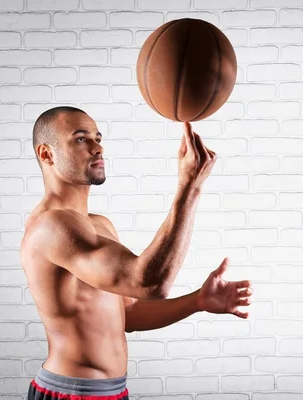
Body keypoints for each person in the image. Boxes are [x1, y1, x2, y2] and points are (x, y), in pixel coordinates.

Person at [20, 106, 253, 400]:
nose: (97, 147)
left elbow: (129, 312)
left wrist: (198, 300)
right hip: (70, 393)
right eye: (81, 139)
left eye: (98, 137)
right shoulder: (51, 226)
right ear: (46, 154)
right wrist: (189, 187)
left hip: (114, 392)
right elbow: (150, 283)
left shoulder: (99, 225)